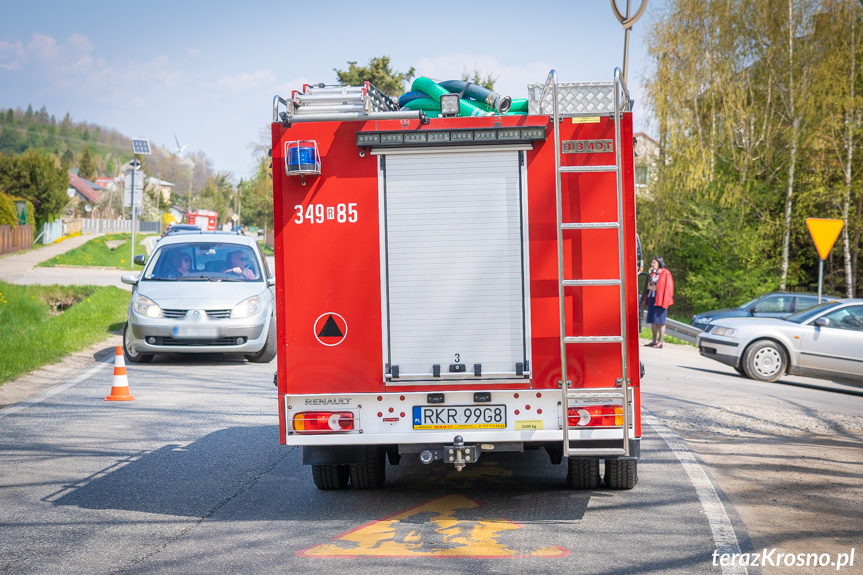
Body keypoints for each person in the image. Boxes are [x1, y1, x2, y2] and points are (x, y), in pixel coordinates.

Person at [642, 256, 674, 348]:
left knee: (660, 321)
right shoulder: (653, 273)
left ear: (659, 263)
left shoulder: (665, 273)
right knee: (653, 321)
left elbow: (666, 287)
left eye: (654, 263)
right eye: (652, 263)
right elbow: (649, 286)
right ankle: (654, 340)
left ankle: (660, 342)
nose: (652, 265)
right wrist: (650, 274)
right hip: (652, 298)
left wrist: (655, 288)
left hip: (661, 299)